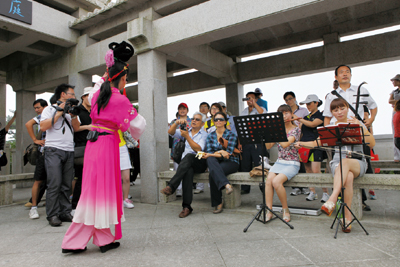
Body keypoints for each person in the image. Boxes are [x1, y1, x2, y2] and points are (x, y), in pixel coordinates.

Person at [61, 41, 146, 254]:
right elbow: (138, 126)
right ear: (123, 78)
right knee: (103, 191)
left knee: (94, 191)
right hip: (107, 144)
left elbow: (97, 88)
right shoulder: (119, 99)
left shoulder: (97, 94)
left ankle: (101, 239)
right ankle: (77, 240)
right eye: (126, 78)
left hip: (93, 145)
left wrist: (107, 72)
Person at [296, 98, 375, 233]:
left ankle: (332, 198)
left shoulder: (356, 122)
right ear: (331, 112)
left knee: (345, 163)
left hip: (357, 162)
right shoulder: (331, 127)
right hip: (337, 164)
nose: (339, 112)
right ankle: (347, 218)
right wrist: (302, 144)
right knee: (348, 177)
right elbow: (317, 143)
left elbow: (371, 143)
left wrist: (361, 127)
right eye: (335, 110)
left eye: (342, 108)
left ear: (347, 108)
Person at [323, 64, 378, 211]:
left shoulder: (362, 90)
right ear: (336, 77)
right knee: (343, 166)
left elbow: (373, 106)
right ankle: (342, 202)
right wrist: (328, 133)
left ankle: (361, 200)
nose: (345, 74)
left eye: (347, 72)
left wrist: (369, 121)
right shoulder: (331, 95)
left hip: (358, 132)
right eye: (341, 72)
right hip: (339, 135)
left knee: (360, 165)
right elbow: (327, 117)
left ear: (351, 75)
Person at [40, 84, 80, 227]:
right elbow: (43, 127)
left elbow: (76, 128)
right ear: (63, 94)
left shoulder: (70, 113)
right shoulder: (49, 110)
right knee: (54, 183)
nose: (74, 97)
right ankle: (52, 214)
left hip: (69, 150)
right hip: (53, 150)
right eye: (72, 94)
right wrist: (59, 112)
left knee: (66, 184)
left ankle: (64, 211)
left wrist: (73, 115)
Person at [160, 112, 208, 217]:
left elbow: (199, 149)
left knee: (190, 156)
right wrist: (176, 123)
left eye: (197, 119)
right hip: (186, 164)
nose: (194, 121)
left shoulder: (204, 134)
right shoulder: (187, 131)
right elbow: (170, 132)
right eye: (194, 119)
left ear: (202, 123)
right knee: (188, 171)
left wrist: (187, 137)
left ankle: (171, 186)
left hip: (200, 160)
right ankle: (186, 207)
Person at [264, 104, 301, 223]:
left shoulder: (296, 129)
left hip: (292, 163)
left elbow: (285, 144)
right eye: (281, 114)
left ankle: (285, 209)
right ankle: (269, 210)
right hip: (279, 162)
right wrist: (268, 133)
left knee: (276, 181)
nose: (284, 116)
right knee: (268, 180)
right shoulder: (278, 130)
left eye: (286, 113)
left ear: (291, 113)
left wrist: (276, 132)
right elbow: (268, 146)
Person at [294, 95, 330, 202]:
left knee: (316, 170)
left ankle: (325, 193)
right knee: (308, 170)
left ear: (316, 103)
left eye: (310, 103)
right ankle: (312, 192)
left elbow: (313, 124)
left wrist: (299, 119)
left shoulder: (321, 115)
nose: (308, 106)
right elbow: (300, 131)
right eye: (307, 104)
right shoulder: (305, 118)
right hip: (304, 145)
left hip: (315, 145)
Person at [201, 112, 239, 214]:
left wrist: (214, 154)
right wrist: (218, 153)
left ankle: (218, 202)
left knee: (213, 171)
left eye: (221, 119)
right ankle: (226, 185)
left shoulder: (231, 135)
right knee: (211, 161)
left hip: (231, 162)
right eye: (216, 119)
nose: (218, 121)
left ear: (225, 122)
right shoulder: (210, 136)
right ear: (213, 122)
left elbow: (228, 154)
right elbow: (209, 152)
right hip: (216, 162)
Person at [240, 90, 267, 194]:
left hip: (258, 140)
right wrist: (240, 142)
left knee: (259, 164)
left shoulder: (261, 108)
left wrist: (254, 104)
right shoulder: (244, 111)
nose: (249, 100)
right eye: (247, 98)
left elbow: (262, 114)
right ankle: (245, 188)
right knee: (245, 164)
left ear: (256, 99)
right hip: (246, 140)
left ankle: (263, 187)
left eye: (251, 98)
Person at [71, 88, 92, 216]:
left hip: (94, 145)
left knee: (91, 178)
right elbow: (75, 128)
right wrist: (88, 127)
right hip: (81, 146)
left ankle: (88, 204)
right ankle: (75, 206)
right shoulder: (77, 110)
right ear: (83, 97)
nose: (91, 99)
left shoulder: (94, 110)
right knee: (81, 177)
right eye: (89, 96)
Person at [25, 99, 48, 219]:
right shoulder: (41, 117)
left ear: (45, 107)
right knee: (38, 180)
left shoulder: (49, 114)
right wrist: (35, 140)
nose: (36, 110)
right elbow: (28, 124)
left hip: (53, 151)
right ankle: (34, 206)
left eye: (38, 107)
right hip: (43, 152)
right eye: (35, 108)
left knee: (51, 181)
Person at [283, 91, 310, 196]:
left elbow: (307, 124)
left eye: (290, 99)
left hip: (302, 139)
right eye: (286, 100)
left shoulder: (303, 110)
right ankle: (296, 187)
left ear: (294, 98)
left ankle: (305, 186)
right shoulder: (285, 113)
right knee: (292, 163)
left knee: (302, 163)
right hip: (289, 140)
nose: (288, 101)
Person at [169, 103, 192, 196]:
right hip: (176, 148)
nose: (182, 110)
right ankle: (178, 190)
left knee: (186, 169)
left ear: (187, 110)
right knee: (177, 169)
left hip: (188, 148)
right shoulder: (173, 121)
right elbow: (170, 132)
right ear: (178, 111)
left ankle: (186, 190)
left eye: (184, 109)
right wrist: (176, 123)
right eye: (180, 109)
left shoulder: (192, 121)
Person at [389, 74, 400, 162]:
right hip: (396, 112)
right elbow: (390, 100)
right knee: (396, 133)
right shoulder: (394, 91)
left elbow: (392, 101)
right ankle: (397, 156)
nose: (393, 82)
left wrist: (395, 102)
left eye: (395, 80)